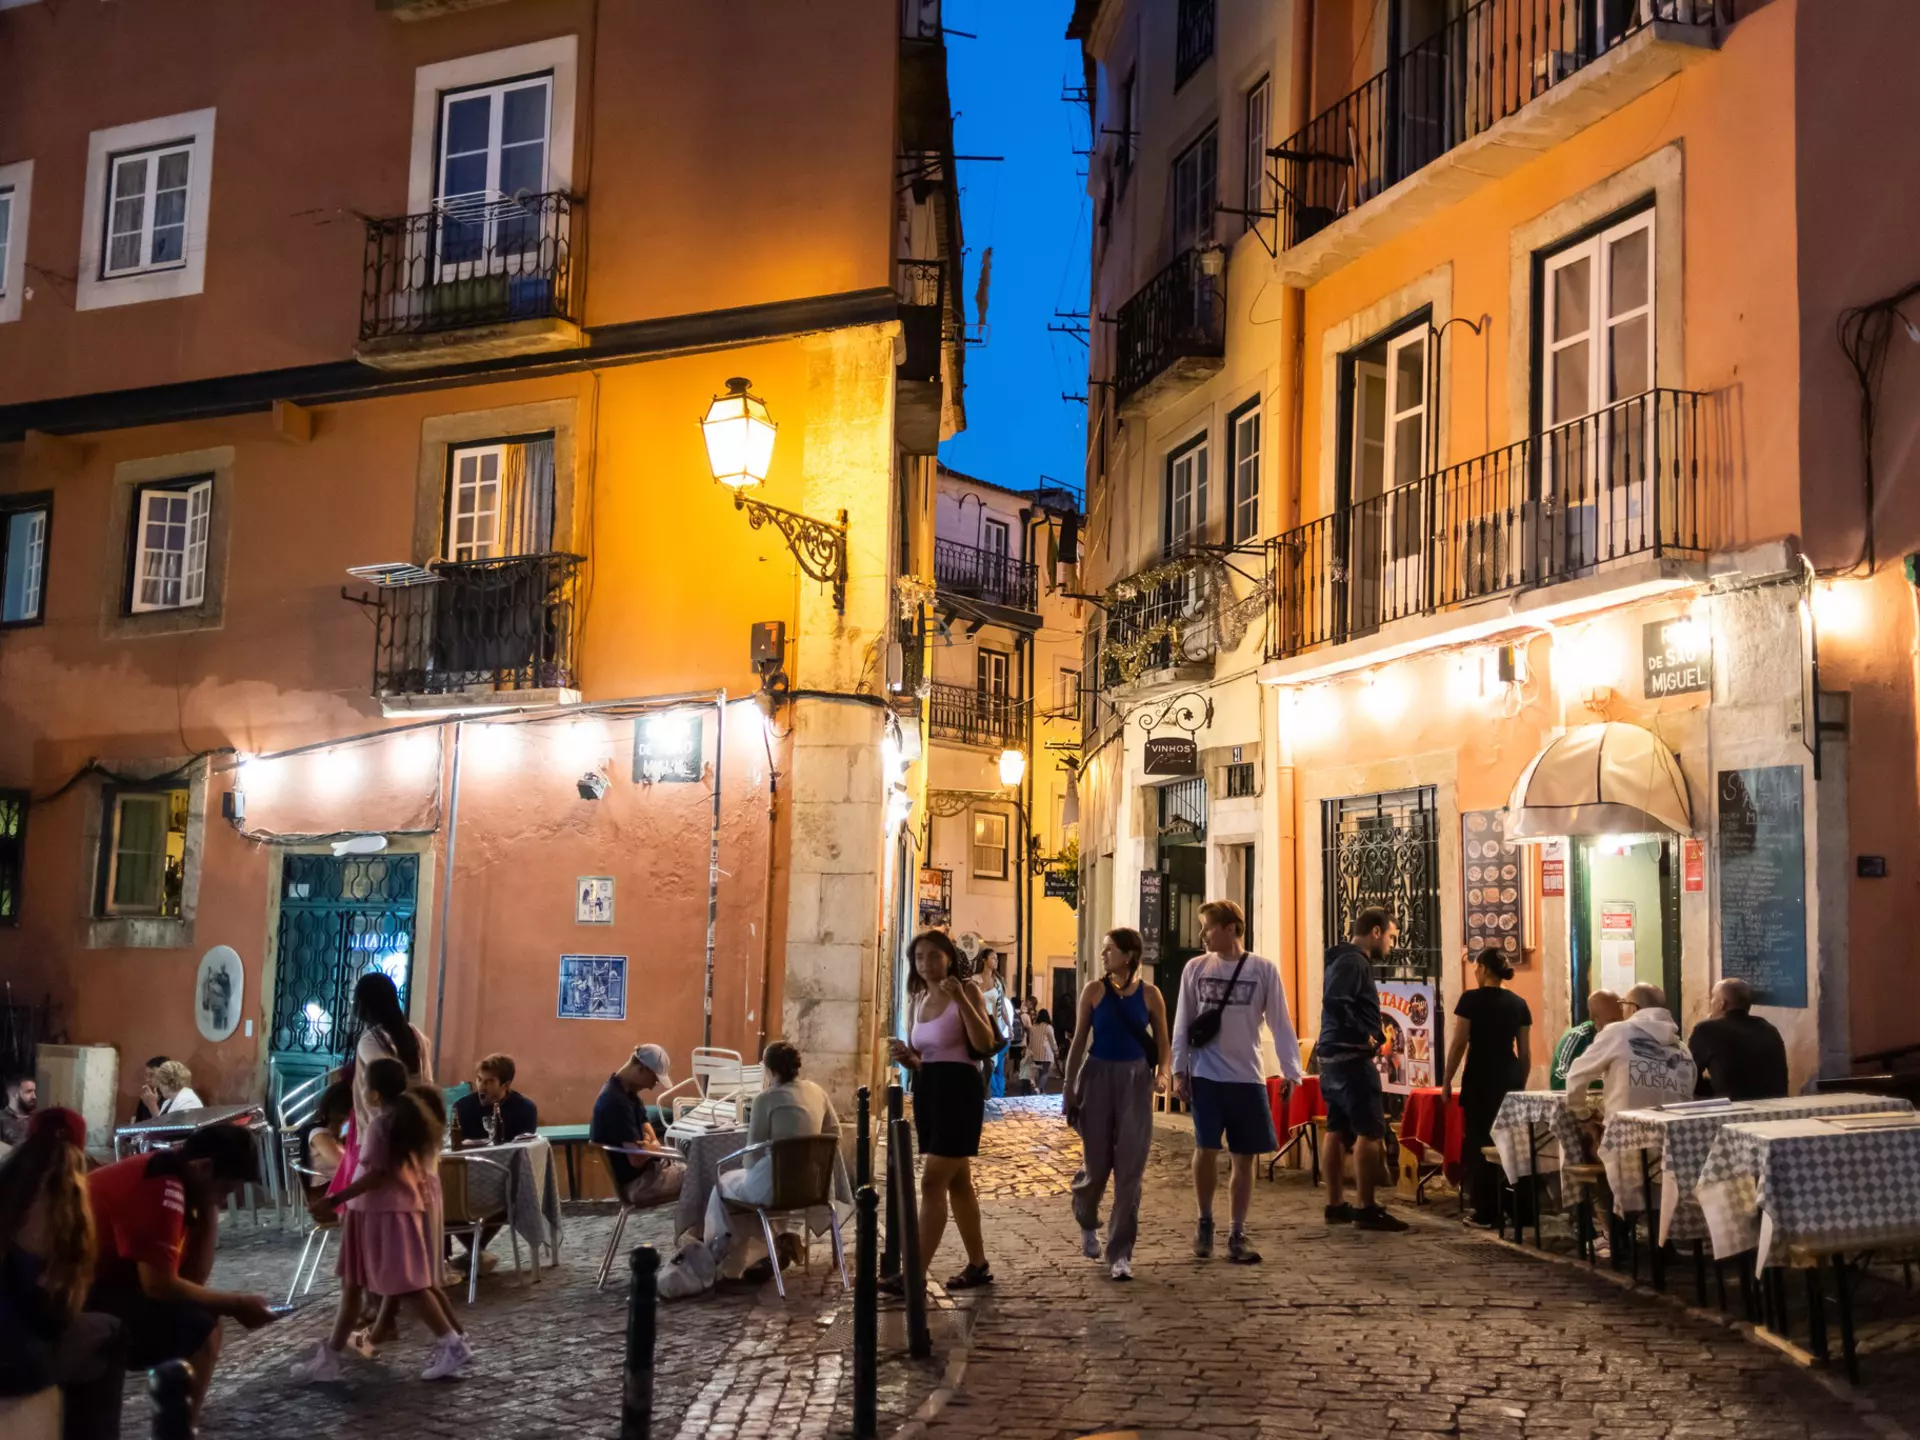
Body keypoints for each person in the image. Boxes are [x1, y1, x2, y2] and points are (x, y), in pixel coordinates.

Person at [83, 1124, 280, 1421]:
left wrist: (208, 1207)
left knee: (203, 1322)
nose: (222, 1201)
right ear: (202, 1167)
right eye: (224, 1190)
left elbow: (192, 1278)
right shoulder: (162, 1187)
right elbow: (159, 1286)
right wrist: (237, 1303)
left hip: (103, 1286)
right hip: (76, 1297)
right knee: (200, 1329)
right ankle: (178, 1430)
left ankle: (181, 1427)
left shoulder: (181, 1179)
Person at [293, 1059, 472, 1383]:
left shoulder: (383, 1124)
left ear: (373, 1093)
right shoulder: (406, 1119)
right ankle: (330, 1359)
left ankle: (452, 1343)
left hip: (382, 1214)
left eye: (363, 1083)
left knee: (408, 1284)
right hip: (375, 1212)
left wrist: (335, 1199)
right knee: (358, 1285)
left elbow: (377, 1174)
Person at [1171, 898, 1309, 1262]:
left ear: (1231, 929)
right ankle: (1204, 1219)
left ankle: (1237, 1231)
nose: (1202, 934)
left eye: (1208, 927)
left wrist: (1292, 1071)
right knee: (1206, 1148)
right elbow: (1182, 1020)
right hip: (1206, 1073)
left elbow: (1281, 1021)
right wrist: (1178, 1068)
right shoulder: (1195, 969)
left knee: (1245, 1157)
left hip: (1248, 1075)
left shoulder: (1263, 970)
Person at [0, 1108, 127, 1440]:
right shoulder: (65, 1209)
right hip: (12, 1360)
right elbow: (58, 1315)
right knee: (111, 1334)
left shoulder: (7, 1185)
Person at [887, 930, 997, 1291]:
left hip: (960, 1093)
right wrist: (909, 1058)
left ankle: (913, 1275)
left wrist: (961, 1000)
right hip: (928, 1091)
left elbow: (984, 1043)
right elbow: (926, 1057)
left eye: (934, 955)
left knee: (932, 1181)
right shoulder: (918, 998)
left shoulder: (967, 991)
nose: (926, 963)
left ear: (949, 957)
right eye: (919, 957)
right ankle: (978, 1266)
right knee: (959, 1183)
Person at [1062, 927, 1169, 1281]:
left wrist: (1163, 1074)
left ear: (1128, 955)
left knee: (1130, 1170)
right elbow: (1079, 1042)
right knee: (1097, 1164)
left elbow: (1164, 1044)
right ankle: (1087, 1217)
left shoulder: (1151, 996)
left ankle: (1121, 1252)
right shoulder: (1093, 992)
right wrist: (1068, 1086)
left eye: (1109, 950)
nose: (1104, 955)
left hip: (1136, 1080)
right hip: (1097, 1078)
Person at [701, 1041, 843, 1281]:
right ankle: (775, 1244)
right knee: (761, 1187)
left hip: (775, 1188)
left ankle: (729, 1261)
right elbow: (834, 1132)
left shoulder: (765, 1099)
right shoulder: (817, 1092)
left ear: (769, 1069)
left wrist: (754, 1170)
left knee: (723, 1186)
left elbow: (752, 1154)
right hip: (813, 1186)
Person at [1316, 907, 1410, 1234]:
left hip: (1333, 1057)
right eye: (1391, 936)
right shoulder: (1354, 962)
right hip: (1351, 1058)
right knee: (1370, 1132)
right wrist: (1367, 1035)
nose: (1391, 943)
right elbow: (1335, 1001)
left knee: (1337, 1129)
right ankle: (1366, 1207)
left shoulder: (1343, 959)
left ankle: (1335, 1204)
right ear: (1375, 932)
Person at [1442, 948, 1533, 1229]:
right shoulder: (1519, 1004)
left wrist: (1447, 1080)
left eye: (1475, 968)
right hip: (1509, 1076)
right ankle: (1519, 1210)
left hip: (1480, 1076)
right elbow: (1526, 1052)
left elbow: (1459, 1044)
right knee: (1511, 1143)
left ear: (1482, 969)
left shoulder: (1470, 1000)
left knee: (1481, 1143)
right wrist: (1521, 1082)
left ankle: (1486, 1212)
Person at [1563, 982, 1697, 1121]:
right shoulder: (1683, 1051)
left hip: (1623, 1136)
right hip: (1673, 1138)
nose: (1621, 1011)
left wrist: (1582, 1112)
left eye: (1622, 1004)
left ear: (1633, 1008)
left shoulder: (1617, 1033)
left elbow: (1577, 1075)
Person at [590, 1044, 685, 1208]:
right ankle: (692, 1232)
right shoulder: (616, 1102)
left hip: (651, 1172)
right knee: (702, 1177)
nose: (652, 1085)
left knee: (697, 1171)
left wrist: (651, 1145)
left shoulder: (627, 1094)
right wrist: (653, 1148)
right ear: (641, 1069)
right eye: (654, 1078)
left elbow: (650, 1135)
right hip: (639, 1184)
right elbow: (637, 1160)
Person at [1689, 978, 1789, 1101]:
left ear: (1721, 1004)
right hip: (1774, 1107)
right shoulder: (1768, 1028)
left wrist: (1716, 1090)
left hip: (1732, 1108)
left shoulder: (1706, 1029)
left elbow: (1689, 1076)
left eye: (1713, 997)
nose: (1710, 1002)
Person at [453, 1054, 539, 1145]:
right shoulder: (462, 1107)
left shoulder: (525, 1109)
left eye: (489, 1082)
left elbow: (525, 1149)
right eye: (479, 1079)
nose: (481, 1087)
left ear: (506, 1085)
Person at [1549, 990, 1623, 1090]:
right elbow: (1558, 1080)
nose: (1619, 1025)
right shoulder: (1578, 1037)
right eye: (1612, 1021)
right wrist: (1607, 1082)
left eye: (1622, 1020)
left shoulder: (1625, 1037)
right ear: (1594, 1019)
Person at [301, 1080, 354, 1188]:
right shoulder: (320, 1135)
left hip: (339, 1185)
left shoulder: (337, 1131)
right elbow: (345, 1165)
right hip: (325, 1189)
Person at [979, 953, 1013, 1100]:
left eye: (997, 959)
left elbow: (1003, 1008)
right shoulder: (975, 979)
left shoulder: (998, 982)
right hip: (978, 1024)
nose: (996, 961)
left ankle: (986, 1094)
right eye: (993, 958)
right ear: (984, 960)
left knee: (990, 1064)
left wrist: (1009, 1027)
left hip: (993, 1027)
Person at [1026, 1009, 1059, 1093]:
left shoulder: (1033, 1027)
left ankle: (1041, 1091)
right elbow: (1052, 1041)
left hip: (1035, 1053)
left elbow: (1031, 1041)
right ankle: (1038, 1088)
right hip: (1045, 1054)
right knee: (1045, 1073)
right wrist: (1056, 1050)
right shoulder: (1048, 1027)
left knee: (1040, 1072)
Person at [130, 1058, 170, 1124]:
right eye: (147, 1075)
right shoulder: (147, 1097)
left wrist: (152, 1105)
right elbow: (138, 1124)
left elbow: (167, 1128)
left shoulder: (173, 1098)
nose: (147, 1080)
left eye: (152, 1075)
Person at [1, 1075, 36, 1149]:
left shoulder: (36, 1119)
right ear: (14, 1093)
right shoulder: (2, 1119)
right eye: (28, 1091)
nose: (34, 1097)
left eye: (34, 1091)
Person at [1007, 999, 1030, 1097]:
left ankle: (1009, 1083)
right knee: (1021, 1064)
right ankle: (1019, 1085)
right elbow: (1029, 1028)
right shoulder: (1025, 1016)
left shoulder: (1009, 1013)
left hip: (1011, 1043)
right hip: (1022, 1042)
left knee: (1011, 1063)